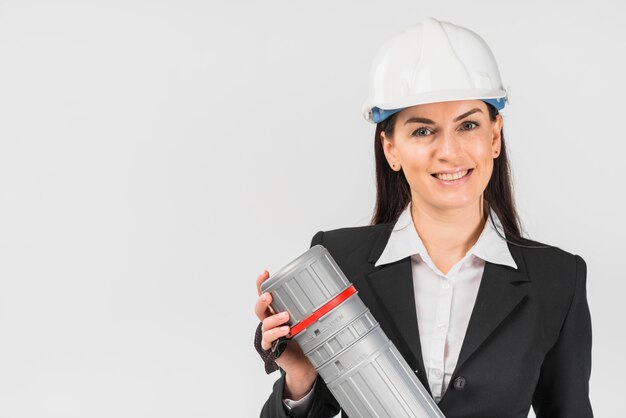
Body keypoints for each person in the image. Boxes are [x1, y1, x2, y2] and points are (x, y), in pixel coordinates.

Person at [253, 17, 593, 418]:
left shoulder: (557, 278)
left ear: (495, 135)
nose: (449, 151)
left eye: (468, 125)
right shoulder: (337, 262)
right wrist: (299, 377)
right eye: (422, 132)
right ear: (390, 149)